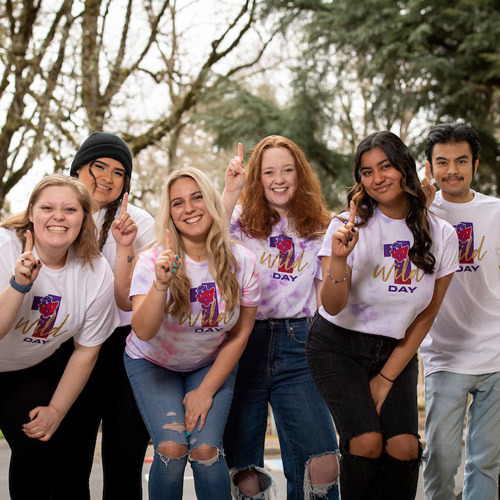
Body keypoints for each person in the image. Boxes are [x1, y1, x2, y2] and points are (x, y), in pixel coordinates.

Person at [305, 131, 459, 500]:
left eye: (385, 166)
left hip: (396, 349)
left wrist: (387, 377)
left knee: (404, 446)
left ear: (403, 167)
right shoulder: (346, 226)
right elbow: (332, 305)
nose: (377, 178)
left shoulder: (442, 234)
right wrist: (340, 258)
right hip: (336, 346)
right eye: (367, 171)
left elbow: (426, 316)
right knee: (367, 442)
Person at [124, 167, 260, 500]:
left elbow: (240, 335)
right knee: (171, 451)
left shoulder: (243, 261)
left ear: (212, 201)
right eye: (178, 203)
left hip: (209, 364)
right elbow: (142, 330)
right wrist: (161, 285)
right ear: (169, 213)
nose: (189, 208)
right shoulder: (153, 261)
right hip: (152, 363)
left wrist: (206, 391)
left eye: (197, 197)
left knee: (205, 452)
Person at [222, 136, 340, 500]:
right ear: (257, 178)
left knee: (321, 463)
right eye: (269, 171)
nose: (279, 178)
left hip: (300, 342)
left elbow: (326, 299)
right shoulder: (239, 220)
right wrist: (230, 191)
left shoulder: (321, 226)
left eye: (287, 169)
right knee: (245, 470)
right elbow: (207, 237)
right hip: (245, 341)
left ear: (300, 174)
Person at [0, 174, 119, 500]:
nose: (58, 216)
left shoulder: (95, 272)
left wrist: (55, 410)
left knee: (39, 444)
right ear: (31, 213)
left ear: (83, 218)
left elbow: (85, 351)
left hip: (24, 367)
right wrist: (19, 284)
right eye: (48, 207)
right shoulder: (4, 247)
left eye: (69, 209)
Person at [52, 132, 154, 500]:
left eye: (118, 172)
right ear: (79, 167)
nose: (108, 178)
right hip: (70, 349)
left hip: (125, 351)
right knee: (69, 460)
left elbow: (133, 299)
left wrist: (125, 247)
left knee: (124, 461)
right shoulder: (59, 215)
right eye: (99, 167)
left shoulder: (139, 223)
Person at [419, 123, 500, 500]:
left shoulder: (495, 211)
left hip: (495, 353)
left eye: (461, 161)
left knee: (485, 461)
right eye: (443, 162)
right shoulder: (419, 214)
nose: (452, 169)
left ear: (475, 165)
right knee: (440, 456)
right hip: (444, 355)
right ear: (429, 167)